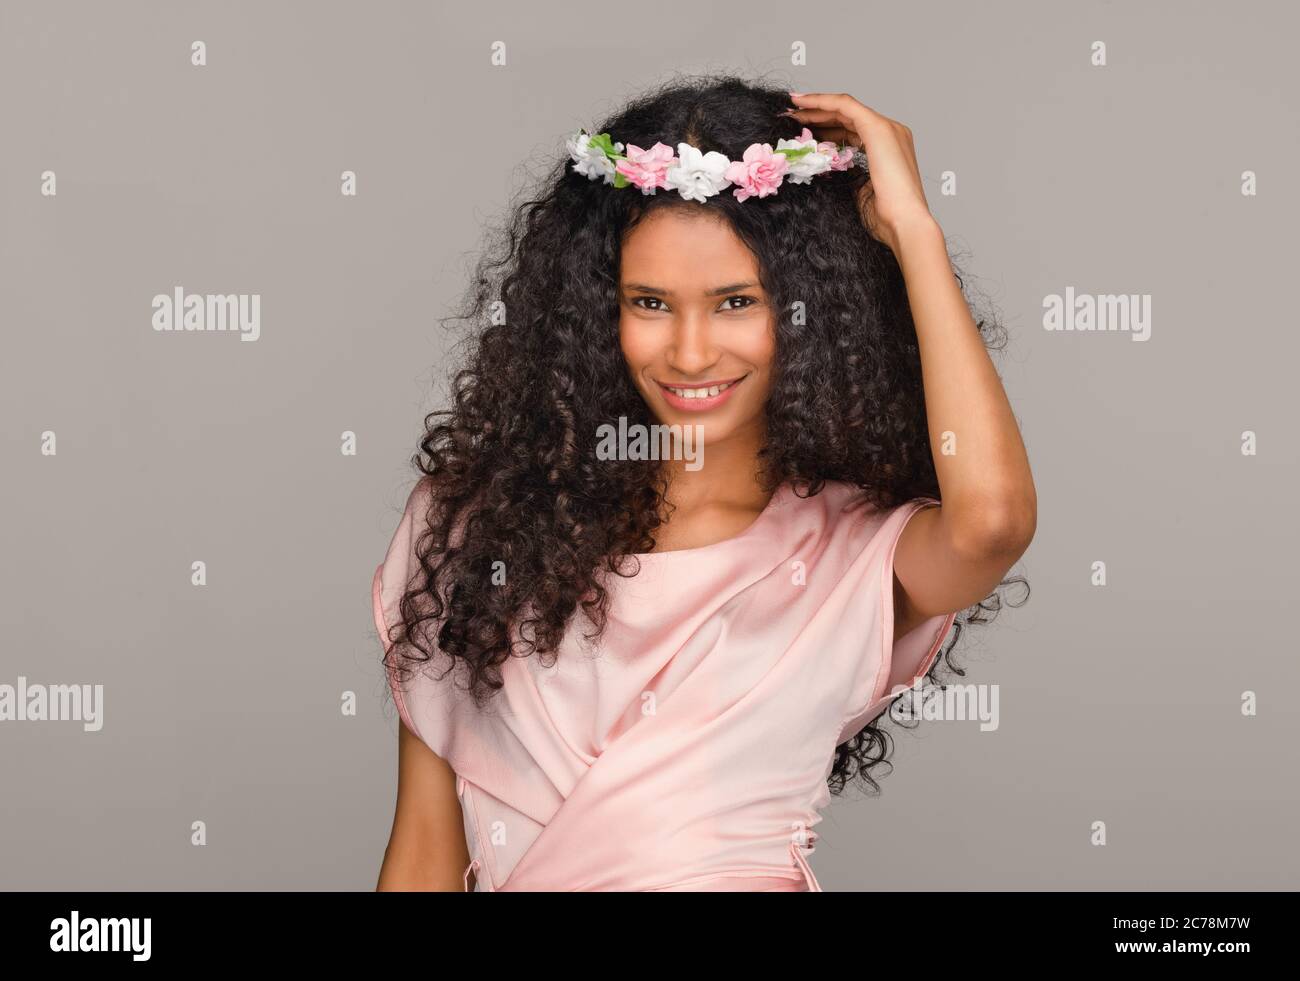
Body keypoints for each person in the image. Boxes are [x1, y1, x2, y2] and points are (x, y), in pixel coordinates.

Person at [373, 75, 1035, 892]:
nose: (690, 353)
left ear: (811, 310)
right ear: (592, 310)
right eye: (650, 301)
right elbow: (422, 856)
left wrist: (913, 234)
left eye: (735, 302)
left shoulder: (851, 555)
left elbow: (992, 522)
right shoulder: (476, 532)